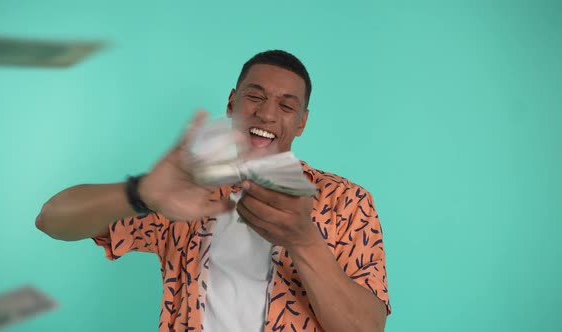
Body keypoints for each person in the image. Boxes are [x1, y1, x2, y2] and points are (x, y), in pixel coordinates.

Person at [36, 50, 391, 332]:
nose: (267, 114)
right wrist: (139, 192)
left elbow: (368, 328)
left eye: (286, 106)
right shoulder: (187, 190)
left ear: (302, 122)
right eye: (255, 97)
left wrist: (304, 242)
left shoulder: (348, 201)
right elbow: (50, 219)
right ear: (231, 102)